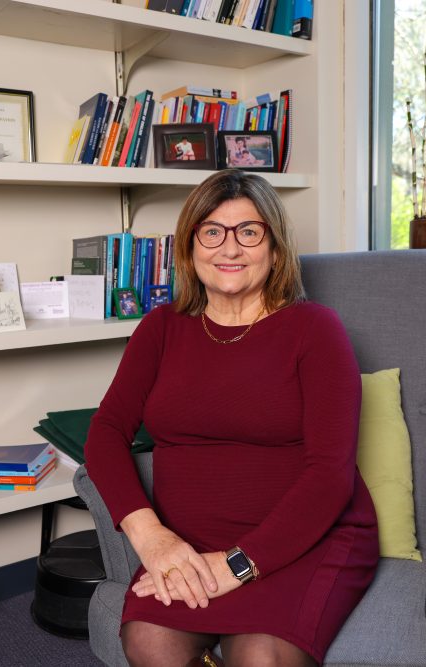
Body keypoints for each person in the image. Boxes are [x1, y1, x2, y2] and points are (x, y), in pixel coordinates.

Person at [85, 169, 379, 666]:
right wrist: (152, 539)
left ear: (275, 246)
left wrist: (239, 565)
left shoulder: (314, 329)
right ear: (191, 245)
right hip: (187, 542)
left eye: (249, 231)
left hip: (304, 540)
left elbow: (330, 474)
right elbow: (106, 434)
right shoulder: (161, 328)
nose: (230, 248)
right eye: (212, 231)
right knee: (150, 643)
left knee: (260, 656)